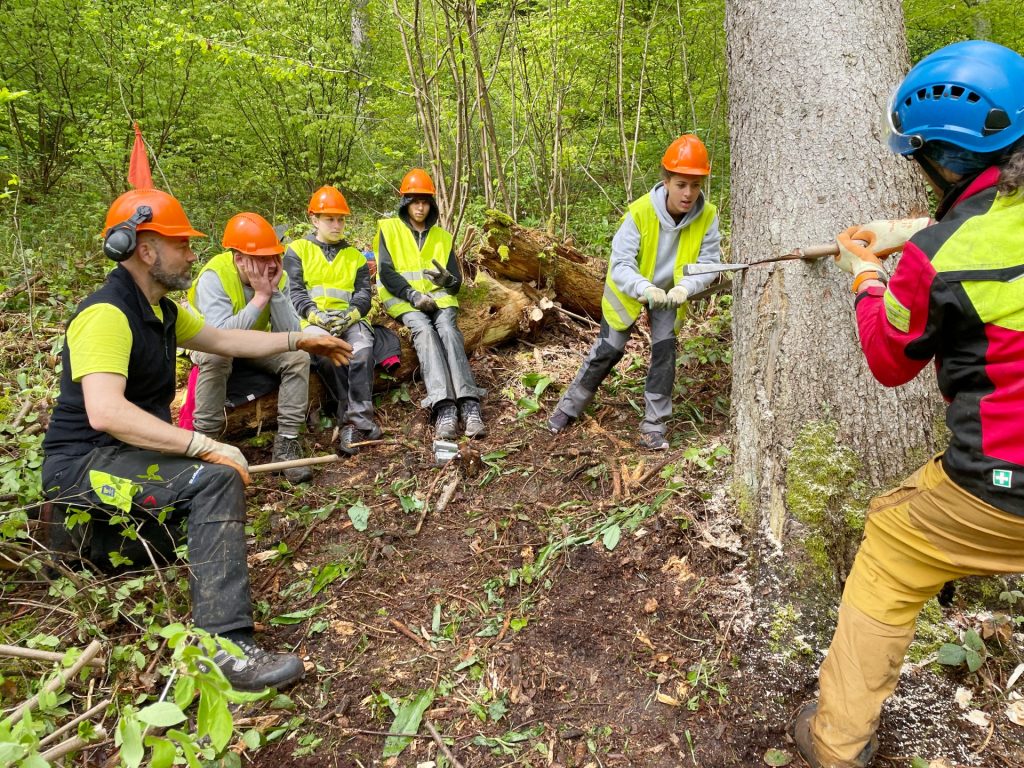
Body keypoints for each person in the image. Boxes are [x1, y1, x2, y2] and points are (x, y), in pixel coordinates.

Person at [791, 40, 1024, 768]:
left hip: (1001, 485)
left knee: (891, 548)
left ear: (943, 160)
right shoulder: (949, 240)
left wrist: (868, 273)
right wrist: (916, 230)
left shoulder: (938, 260)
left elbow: (891, 361)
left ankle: (835, 743)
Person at [41, 187, 352, 692]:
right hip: (81, 466)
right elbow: (106, 411)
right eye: (182, 244)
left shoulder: (161, 310)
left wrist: (300, 338)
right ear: (146, 250)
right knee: (213, 483)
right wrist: (203, 445)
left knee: (183, 541)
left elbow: (224, 339)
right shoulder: (106, 314)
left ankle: (81, 542)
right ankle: (226, 649)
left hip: (124, 459)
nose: (191, 254)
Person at [546, 134, 723, 450]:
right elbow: (621, 265)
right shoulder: (640, 212)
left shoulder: (707, 215)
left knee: (665, 353)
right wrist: (645, 287)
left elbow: (710, 264)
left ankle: (653, 426)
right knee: (608, 350)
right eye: (681, 184)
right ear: (666, 180)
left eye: (695, 186)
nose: (688, 193)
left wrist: (686, 286)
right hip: (629, 289)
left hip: (671, 293)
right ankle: (567, 408)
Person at [186, 212, 313, 483]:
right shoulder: (215, 276)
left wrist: (274, 292)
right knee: (217, 355)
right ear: (239, 258)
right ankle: (206, 445)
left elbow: (290, 334)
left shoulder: (276, 275)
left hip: (255, 343)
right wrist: (260, 296)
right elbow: (220, 337)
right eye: (261, 257)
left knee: (298, 356)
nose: (270, 264)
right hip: (209, 343)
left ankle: (288, 442)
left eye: (273, 256)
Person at [375, 168, 486, 439]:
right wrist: (413, 295)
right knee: (424, 332)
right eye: (415, 201)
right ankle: (444, 406)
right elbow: (386, 272)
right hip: (405, 300)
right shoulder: (389, 230)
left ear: (431, 204)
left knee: (447, 329)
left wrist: (448, 280)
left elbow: (455, 283)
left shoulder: (442, 237)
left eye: (425, 201)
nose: (420, 207)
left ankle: (469, 404)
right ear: (405, 203)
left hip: (439, 300)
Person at [284, 186, 379, 455]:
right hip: (312, 321)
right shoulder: (297, 251)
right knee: (330, 356)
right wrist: (315, 315)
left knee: (360, 352)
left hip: (348, 320)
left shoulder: (355, 256)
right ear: (314, 220)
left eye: (340, 219)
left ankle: (353, 421)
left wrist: (351, 315)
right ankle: (354, 420)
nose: (337, 225)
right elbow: (295, 291)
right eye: (330, 219)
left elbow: (363, 294)